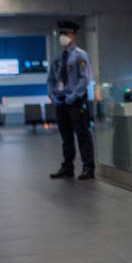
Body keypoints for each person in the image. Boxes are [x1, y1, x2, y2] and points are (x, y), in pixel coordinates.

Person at [47, 20, 96, 180]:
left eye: (65, 33)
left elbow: (85, 79)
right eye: (61, 34)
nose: (62, 37)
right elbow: (51, 80)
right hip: (61, 102)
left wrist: (72, 96)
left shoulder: (80, 56)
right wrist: (53, 96)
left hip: (75, 102)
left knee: (82, 134)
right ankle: (67, 167)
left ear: (74, 35)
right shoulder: (58, 59)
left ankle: (88, 167)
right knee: (65, 136)